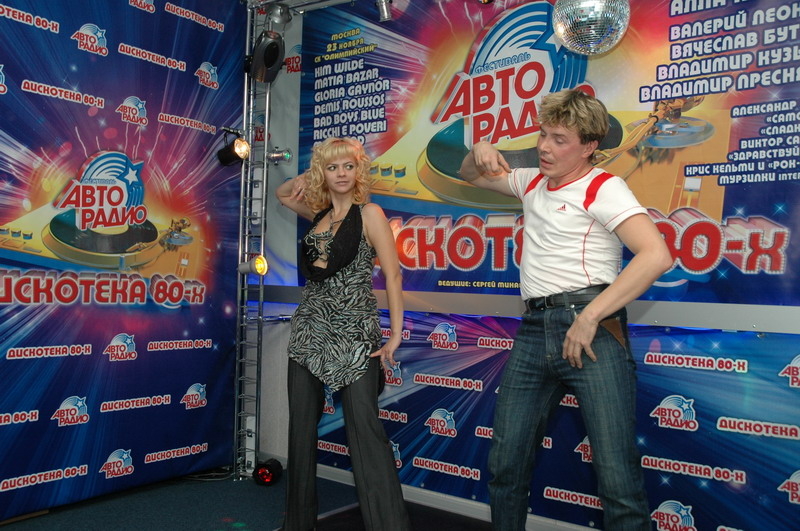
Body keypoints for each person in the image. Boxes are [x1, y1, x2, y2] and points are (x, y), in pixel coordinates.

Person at [459, 89, 673, 530]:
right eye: (543, 135)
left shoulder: (603, 186)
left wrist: (590, 316)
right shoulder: (531, 181)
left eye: (559, 140)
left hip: (592, 329)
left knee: (617, 478)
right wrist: (478, 150)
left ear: (589, 146)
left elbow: (656, 255)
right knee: (506, 465)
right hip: (534, 330)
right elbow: (469, 175)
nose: (544, 147)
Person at [275, 137, 412, 531]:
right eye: (332, 167)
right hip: (308, 335)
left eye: (348, 166)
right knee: (300, 437)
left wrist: (395, 333)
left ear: (358, 171)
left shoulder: (369, 214)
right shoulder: (318, 215)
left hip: (355, 337)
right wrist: (309, 174)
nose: (341, 174)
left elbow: (393, 275)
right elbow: (283, 194)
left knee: (366, 435)